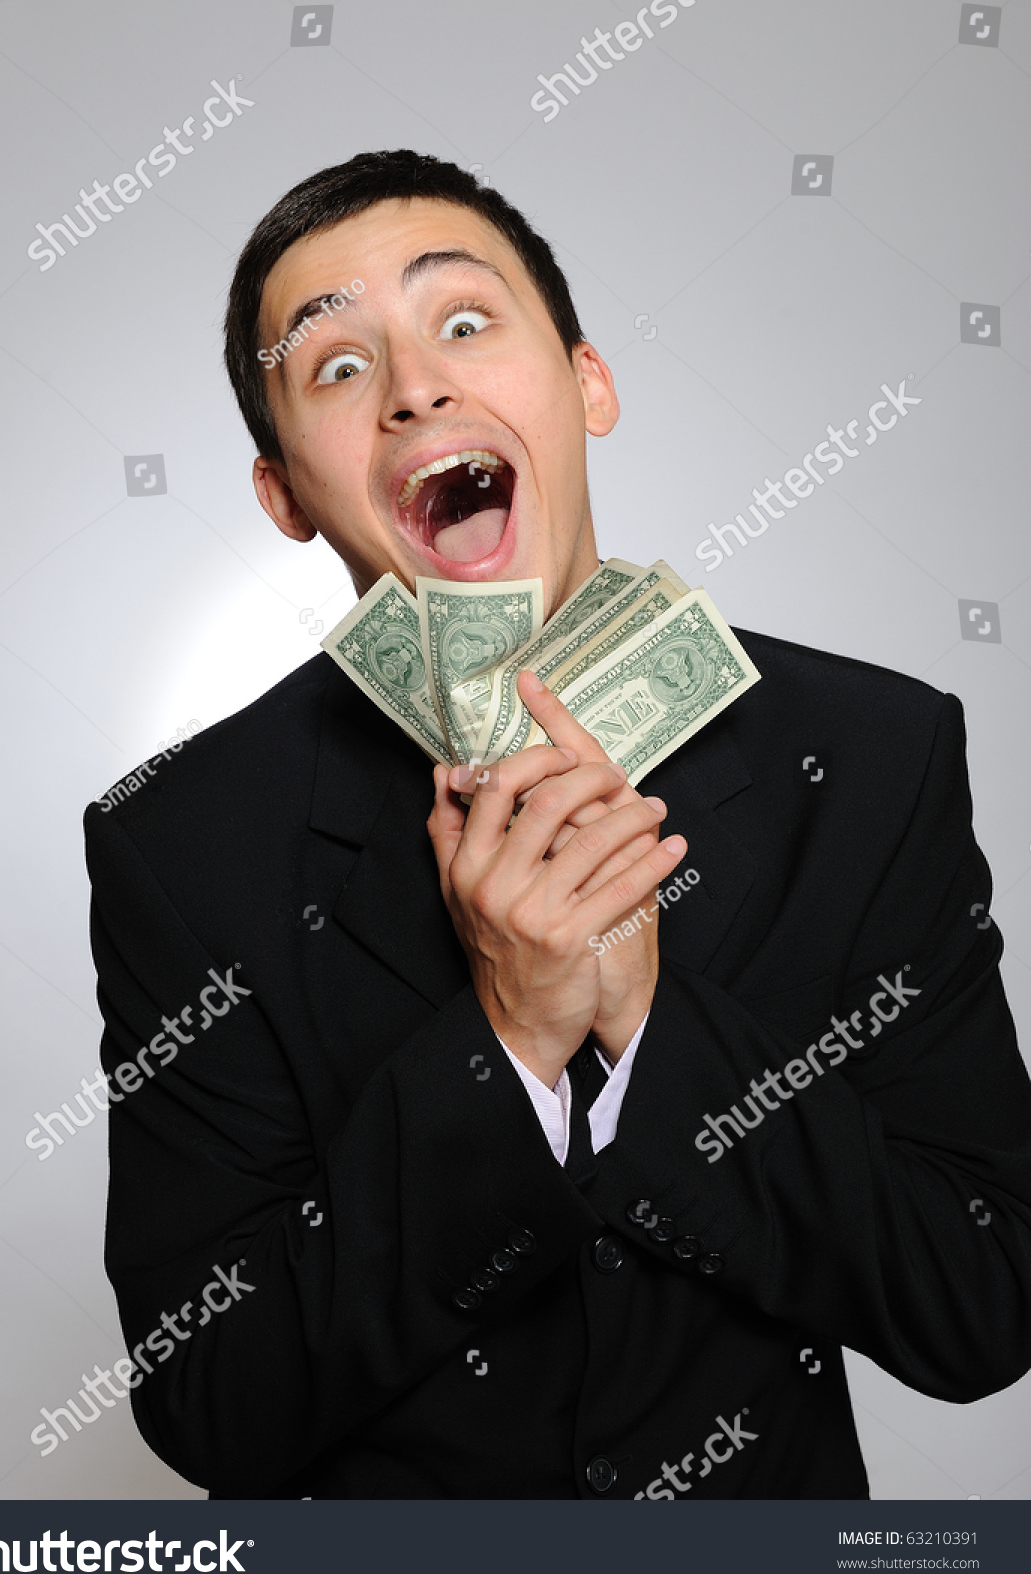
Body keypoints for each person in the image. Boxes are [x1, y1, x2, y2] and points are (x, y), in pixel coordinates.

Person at [88, 150, 1031, 1499]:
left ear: (587, 383)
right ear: (285, 494)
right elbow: (212, 1404)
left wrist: (653, 1024)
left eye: (462, 323)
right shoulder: (184, 846)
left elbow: (982, 1296)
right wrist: (509, 1039)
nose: (415, 385)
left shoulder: (867, 758)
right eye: (338, 367)